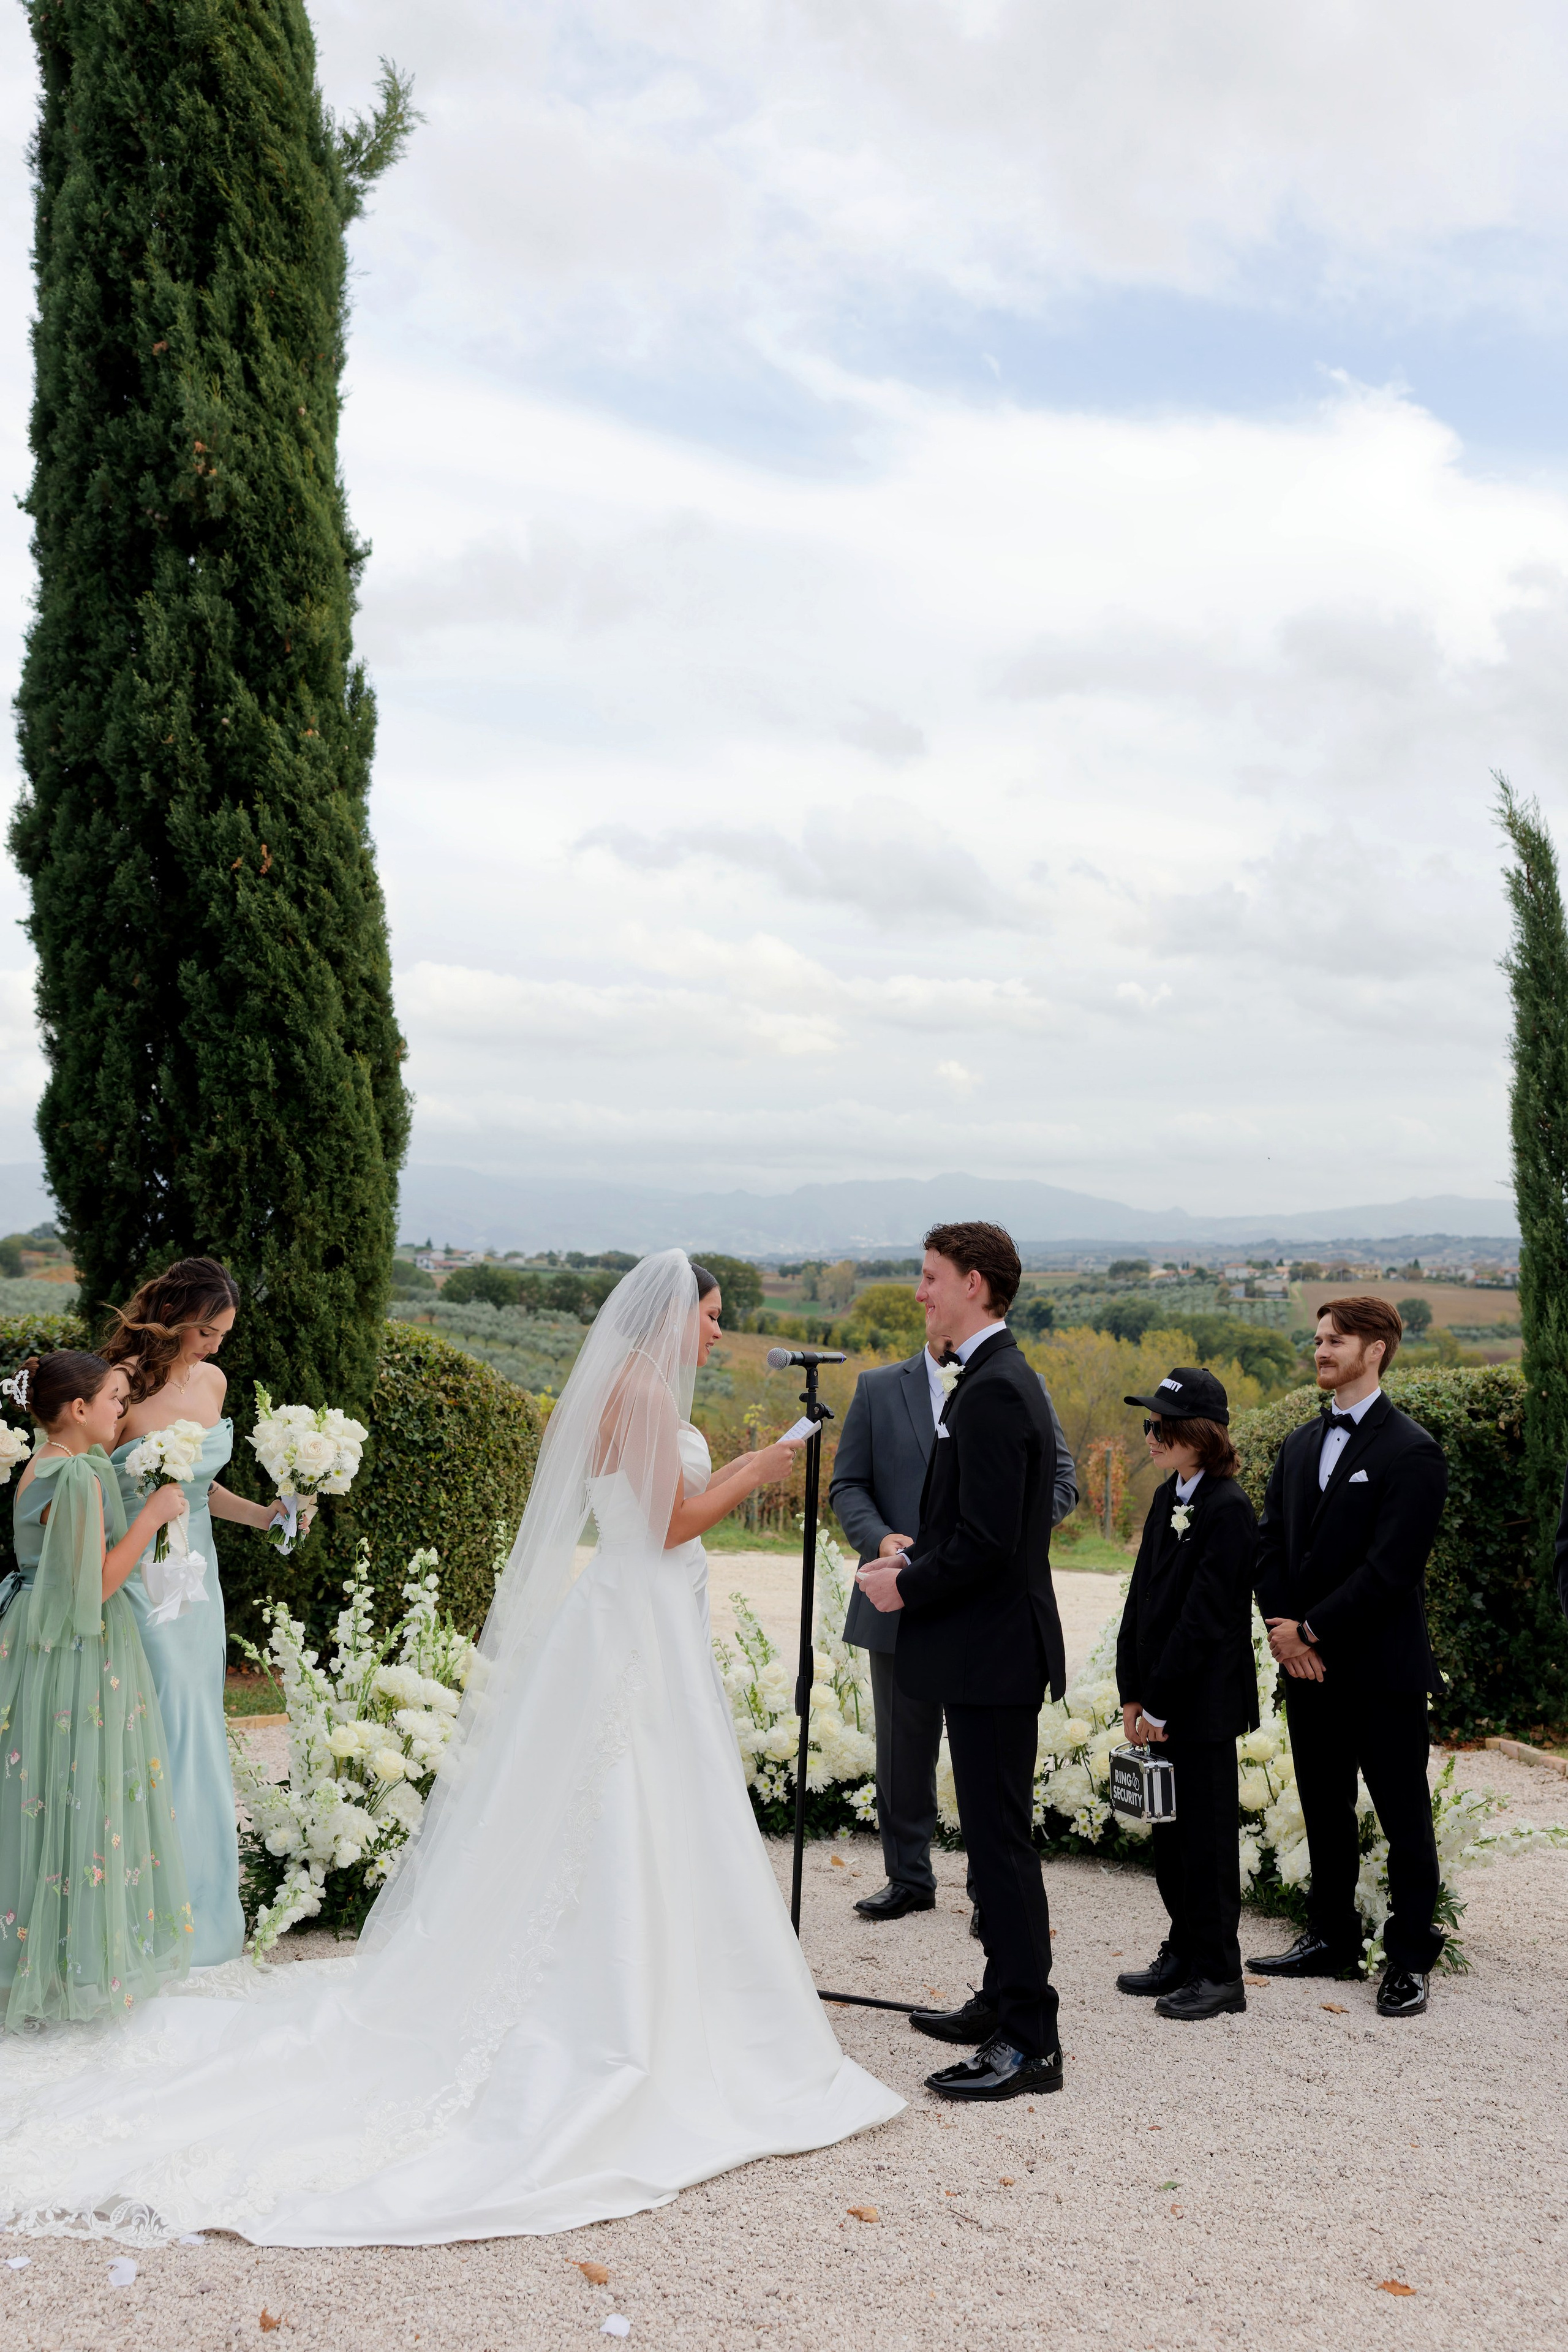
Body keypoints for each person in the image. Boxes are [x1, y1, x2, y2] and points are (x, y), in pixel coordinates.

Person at [0, 1252, 901, 2245]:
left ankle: (676, 1984)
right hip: (639, 1617)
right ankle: (644, 2011)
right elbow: (668, 1521)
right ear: (668, 1320)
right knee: (632, 1802)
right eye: (714, 1317)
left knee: (645, 1806)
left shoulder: (626, 1385)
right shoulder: (643, 1391)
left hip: (639, 1618)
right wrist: (759, 1467)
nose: (719, 1333)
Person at [856, 1221, 1065, 2103]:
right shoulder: (989, 1380)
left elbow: (985, 1543)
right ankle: (1000, 1997)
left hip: (992, 1655)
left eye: (931, 1276)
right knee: (988, 1839)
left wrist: (908, 1585)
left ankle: (1030, 2040)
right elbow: (974, 1529)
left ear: (976, 1284)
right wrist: (910, 1559)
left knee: (1001, 1848)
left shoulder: (993, 1391)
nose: (920, 1292)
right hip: (984, 1650)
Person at [832, 1322, 1077, 1921]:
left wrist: (1000, 1535)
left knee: (985, 1757)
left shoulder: (1020, 1387)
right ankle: (908, 1877)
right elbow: (848, 1485)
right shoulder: (877, 1387)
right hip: (897, 1596)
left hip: (983, 1606)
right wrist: (879, 1537)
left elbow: (1062, 1482)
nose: (925, 1298)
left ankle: (987, 1885)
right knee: (901, 1747)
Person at [1250, 1297, 1449, 2017]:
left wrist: (1311, 1631)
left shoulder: (1413, 1451)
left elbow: (1390, 1569)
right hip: (1306, 1667)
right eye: (1316, 1339)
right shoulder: (1301, 1443)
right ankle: (1328, 1935)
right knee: (1323, 1808)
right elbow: (1269, 1542)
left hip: (1380, 1670)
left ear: (1377, 1349)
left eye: (1335, 1340)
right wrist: (1282, 1630)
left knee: (1403, 1816)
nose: (1320, 1349)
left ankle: (1408, 1959)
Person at [101, 1258, 301, 1967]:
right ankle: (134, 1906)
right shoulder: (118, 1383)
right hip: (137, 1573)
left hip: (197, 1576)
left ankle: (201, 1909)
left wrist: (267, 1516)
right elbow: (92, 1483)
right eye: (210, 1332)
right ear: (180, 1319)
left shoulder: (213, 1381)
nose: (218, 1346)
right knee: (154, 1721)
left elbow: (201, 1489)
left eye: (224, 1335)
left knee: (197, 1721)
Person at [1, 1351, 192, 2026]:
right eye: (114, 1398)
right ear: (77, 1409)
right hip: (74, 1648)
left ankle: (53, 1957)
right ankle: (60, 1968)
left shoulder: (49, 1466)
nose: (121, 1410)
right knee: (75, 1788)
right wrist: (153, 1517)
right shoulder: (74, 1475)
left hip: (53, 1637)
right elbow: (97, 1586)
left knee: (54, 1792)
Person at [1114, 1367, 1259, 2021]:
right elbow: (1141, 1598)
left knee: (1204, 1839)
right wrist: (1131, 1693)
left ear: (1198, 1436)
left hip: (1199, 1706)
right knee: (1168, 1836)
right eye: (1148, 1424)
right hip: (1159, 1697)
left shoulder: (1228, 1509)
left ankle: (1220, 1972)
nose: (1149, 1435)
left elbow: (1204, 1618)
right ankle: (1181, 1947)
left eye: (1160, 1426)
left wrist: (1164, 1703)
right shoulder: (1165, 1495)